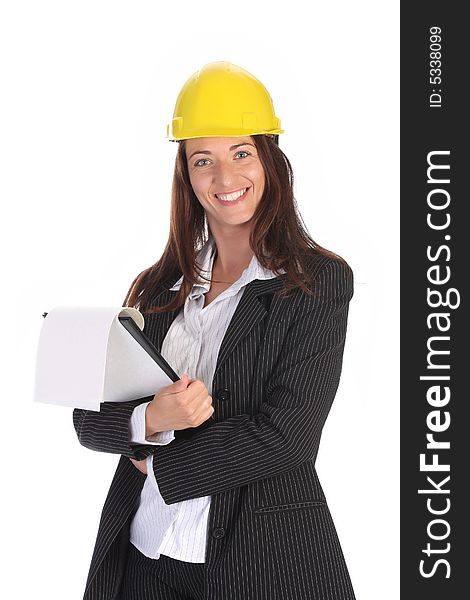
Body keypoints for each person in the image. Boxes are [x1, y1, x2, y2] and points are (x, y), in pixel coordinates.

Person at [73, 61, 357, 600]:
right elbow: (88, 418)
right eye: (204, 160)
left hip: (260, 559)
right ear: (186, 172)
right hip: (144, 552)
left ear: (270, 159)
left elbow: (289, 438)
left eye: (241, 154)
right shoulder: (159, 287)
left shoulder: (314, 282)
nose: (225, 179)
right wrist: (150, 418)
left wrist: (158, 457)